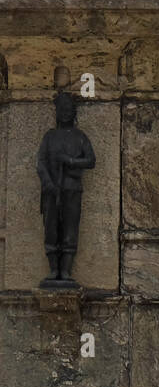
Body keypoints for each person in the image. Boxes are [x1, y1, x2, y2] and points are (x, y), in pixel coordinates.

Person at [37, 91, 95, 284]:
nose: (64, 113)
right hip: (52, 190)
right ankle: (54, 269)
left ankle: (66, 270)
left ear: (74, 112)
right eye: (61, 109)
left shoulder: (79, 137)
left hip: (72, 189)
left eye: (68, 109)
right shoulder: (50, 136)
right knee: (51, 228)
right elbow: (41, 162)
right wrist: (47, 182)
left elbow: (90, 160)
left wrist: (69, 161)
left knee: (70, 228)